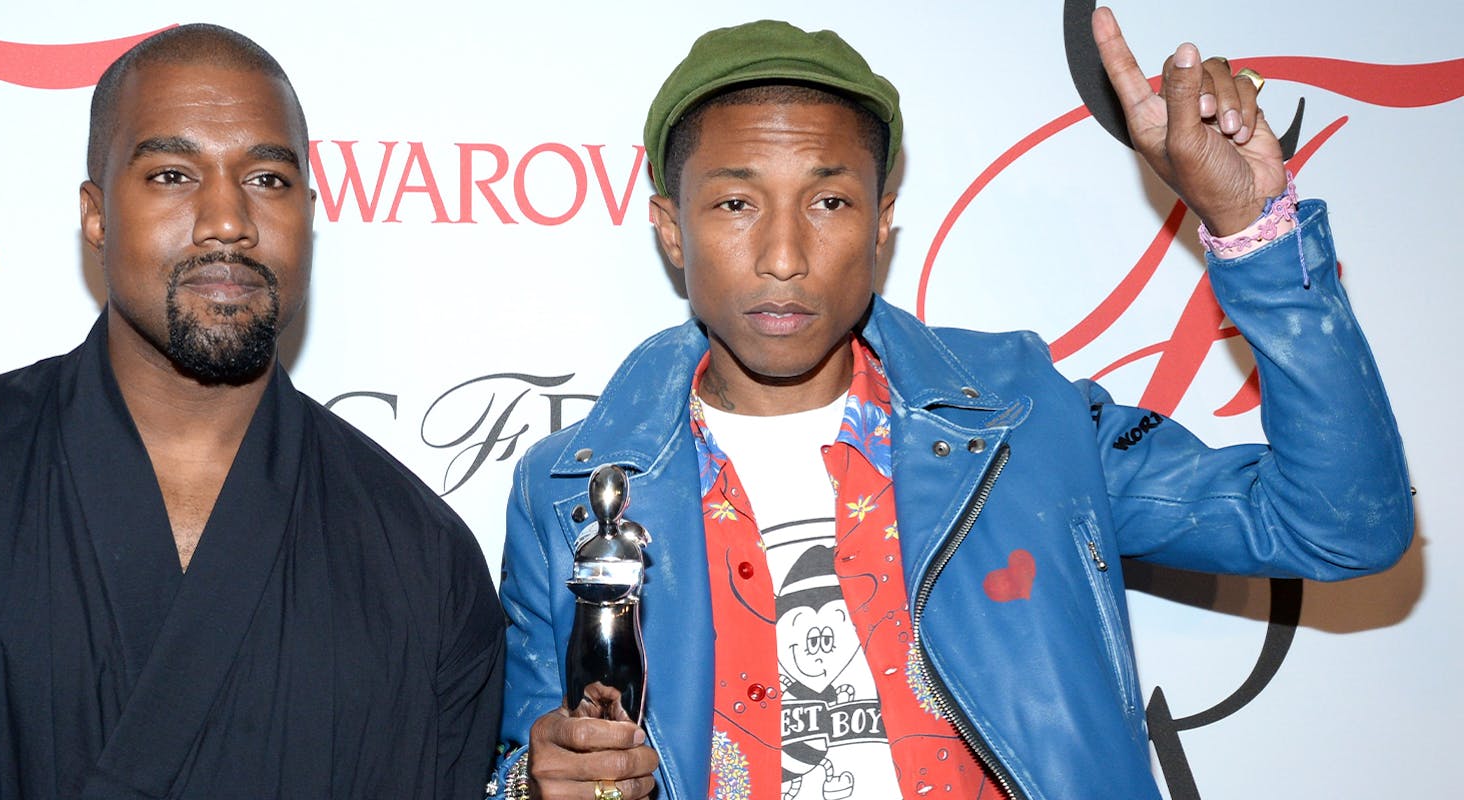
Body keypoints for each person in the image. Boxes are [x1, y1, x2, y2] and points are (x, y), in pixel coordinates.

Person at [492, 10, 1411, 800]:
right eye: (735, 203)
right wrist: (535, 779)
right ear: (670, 227)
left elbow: (1337, 526)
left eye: (830, 202)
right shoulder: (569, 489)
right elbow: (534, 757)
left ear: (885, 218)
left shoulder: (1023, 423)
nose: (781, 254)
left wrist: (1256, 230)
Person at [0, 24, 504, 799]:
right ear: (96, 215)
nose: (226, 220)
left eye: (267, 180)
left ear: (307, 215)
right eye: (172, 175)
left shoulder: (422, 561)